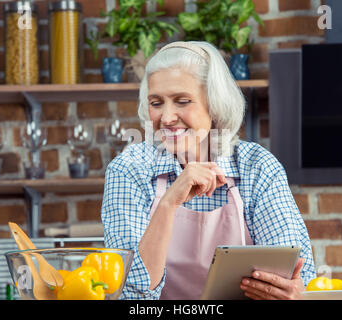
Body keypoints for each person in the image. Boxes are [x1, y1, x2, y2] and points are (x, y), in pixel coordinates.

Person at [101, 41, 316, 300]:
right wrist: (168, 203)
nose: (167, 117)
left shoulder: (257, 167)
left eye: (182, 101)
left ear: (214, 103)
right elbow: (130, 295)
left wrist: (294, 292)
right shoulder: (129, 170)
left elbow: (298, 278)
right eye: (156, 103)